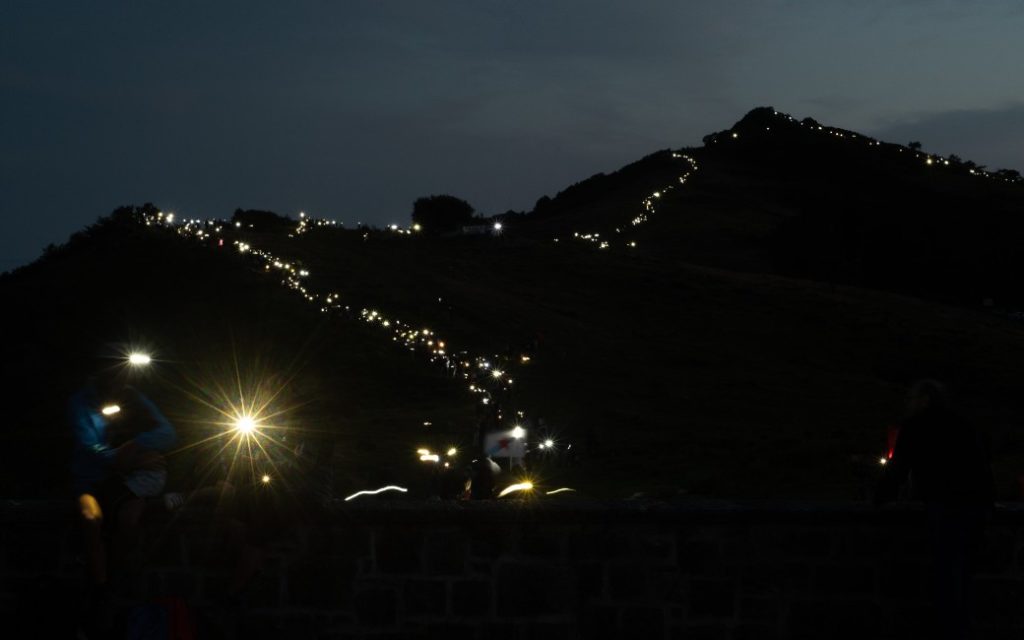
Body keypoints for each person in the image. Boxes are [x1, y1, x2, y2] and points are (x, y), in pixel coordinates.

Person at [874, 379, 994, 640]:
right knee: (962, 573)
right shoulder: (961, 423)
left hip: (946, 503)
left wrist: (877, 499)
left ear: (925, 399)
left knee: (947, 573)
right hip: (976, 504)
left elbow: (898, 469)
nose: (909, 405)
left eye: (913, 399)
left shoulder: (917, 425)